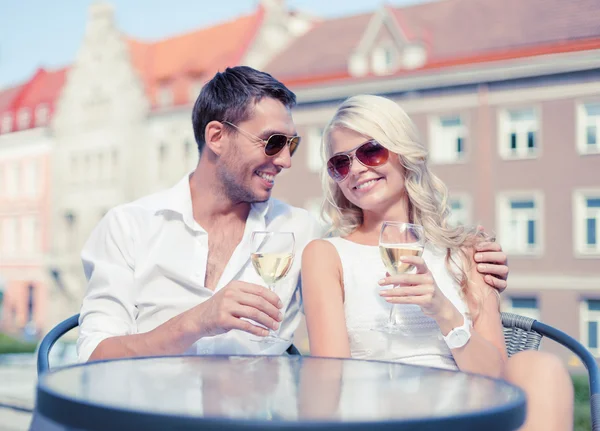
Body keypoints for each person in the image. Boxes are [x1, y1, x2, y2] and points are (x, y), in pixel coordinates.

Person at [77, 66, 508, 363]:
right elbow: (94, 355)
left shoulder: (302, 232)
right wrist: (198, 321)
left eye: (293, 146)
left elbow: (368, 248)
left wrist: (481, 259)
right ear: (216, 137)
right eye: (272, 143)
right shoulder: (128, 226)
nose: (284, 161)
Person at [301, 94, 573, 431]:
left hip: (463, 414)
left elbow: (496, 379)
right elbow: (331, 381)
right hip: (379, 419)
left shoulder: (467, 251)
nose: (356, 169)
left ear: (403, 153)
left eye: (371, 151)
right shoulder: (326, 254)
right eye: (340, 163)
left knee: (540, 367)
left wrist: (443, 312)